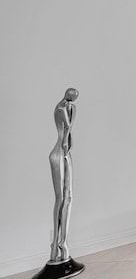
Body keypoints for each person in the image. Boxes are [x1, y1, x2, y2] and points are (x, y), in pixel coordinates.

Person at [49, 88, 79, 262]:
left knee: (69, 197)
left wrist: (73, 110)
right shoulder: (61, 109)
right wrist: (72, 114)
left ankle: (63, 242)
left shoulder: (69, 107)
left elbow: (69, 133)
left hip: (66, 154)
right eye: (73, 97)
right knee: (60, 199)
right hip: (58, 154)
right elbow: (67, 129)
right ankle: (55, 244)